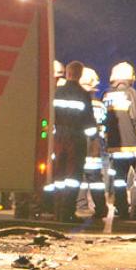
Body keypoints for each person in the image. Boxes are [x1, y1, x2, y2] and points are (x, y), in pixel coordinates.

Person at [103, 62, 136, 221]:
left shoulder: (107, 95)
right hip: (134, 147)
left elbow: (104, 121)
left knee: (119, 180)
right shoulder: (131, 93)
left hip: (115, 148)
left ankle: (121, 210)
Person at [48, 61, 92, 222]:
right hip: (76, 139)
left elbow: (49, 116)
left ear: (67, 73)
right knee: (73, 177)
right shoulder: (83, 94)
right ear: (79, 75)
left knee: (58, 176)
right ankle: (68, 212)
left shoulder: (57, 92)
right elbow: (89, 123)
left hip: (57, 138)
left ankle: (57, 211)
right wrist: (93, 138)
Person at [79, 66, 110, 222]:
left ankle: (82, 205)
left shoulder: (82, 103)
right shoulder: (100, 105)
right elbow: (104, 126)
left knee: (81, 178)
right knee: (95, 179)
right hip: (96, 146)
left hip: (82, 145)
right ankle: (100, 207)